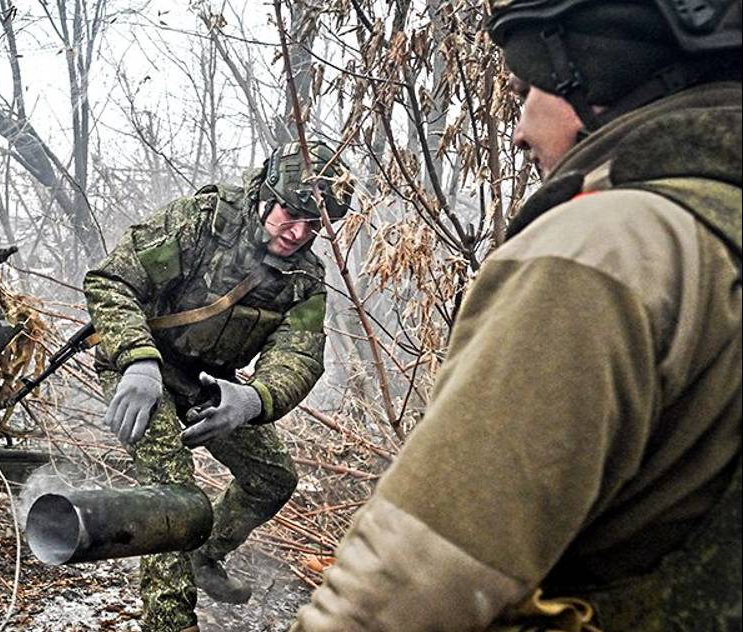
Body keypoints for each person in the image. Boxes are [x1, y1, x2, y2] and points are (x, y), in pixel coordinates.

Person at [291, 1, 741, 630]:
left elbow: (413, 581)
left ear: (596, 77)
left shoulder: (603, 248)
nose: (519, 130)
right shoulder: (721, 229)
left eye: (528, 90)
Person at [84, 141, 355, 632]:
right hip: (141, 370)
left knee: (273, 480)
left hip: (210, 384)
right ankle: (168, 621)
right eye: (290, 215)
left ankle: (203, 556)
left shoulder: (304, 280)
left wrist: (253, 398)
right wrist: (138, 362)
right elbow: (111, 281)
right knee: (173, 493)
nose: (298, 233)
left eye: (314, 226)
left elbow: (298, 354)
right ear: (265, 196)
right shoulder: (202, 221)